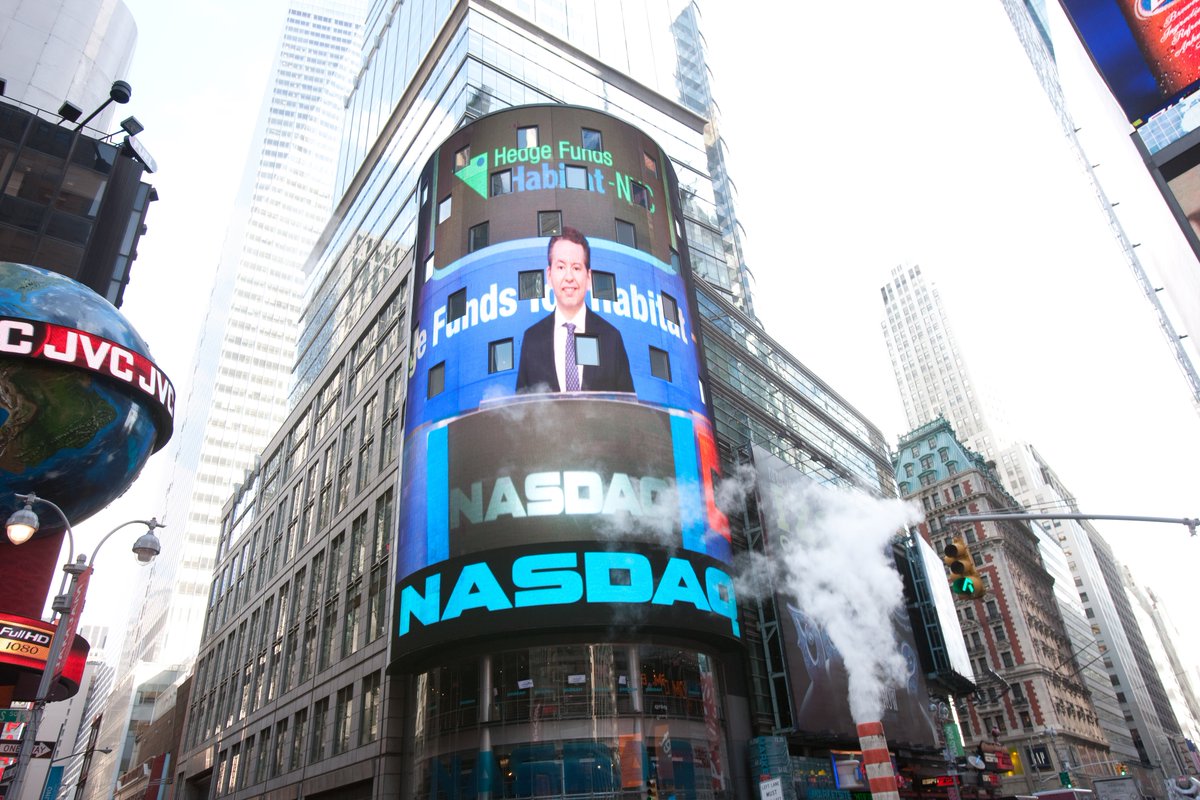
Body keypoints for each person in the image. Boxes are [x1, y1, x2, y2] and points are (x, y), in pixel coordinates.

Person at [515, 227, 634, 393]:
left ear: (588, 277)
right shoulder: (532, 339)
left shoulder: (611, 338)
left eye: (577, 268)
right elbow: (522, 410)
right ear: (549, 275)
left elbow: (628, 411)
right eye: (561, 267)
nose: (569, 277)